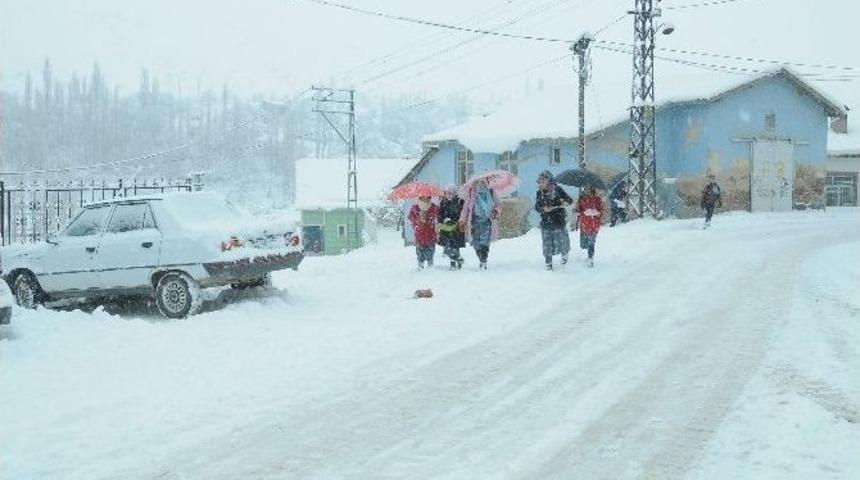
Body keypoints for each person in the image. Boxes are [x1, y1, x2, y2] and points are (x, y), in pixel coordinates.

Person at [535, 170, 573, 270]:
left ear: (549, 180)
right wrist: (543, 209)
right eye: (540, 180)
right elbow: (537, 207)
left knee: (561, 243)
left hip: (558, 221)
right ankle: (548, 263)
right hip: (546, 222)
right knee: (547, 244)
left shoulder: (558, 190)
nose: (541, 182)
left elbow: (569, 200)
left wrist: (564, 202)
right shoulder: (539, 193)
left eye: (543, 179)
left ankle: (564, 255)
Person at [458, 179, 499, 270]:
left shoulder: (491, 192)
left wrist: (496, 211)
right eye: (477, 182)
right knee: (476, 243)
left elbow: (498, 205)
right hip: (475, 222)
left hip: (487, 221)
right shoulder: (471, 193)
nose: (480, 185)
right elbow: (465, 208)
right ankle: (481, 257)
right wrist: (462, 221)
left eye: (483, 182)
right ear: (474, 184)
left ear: (486, 183)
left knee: (485, 242)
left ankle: (483, 260)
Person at [576, 184, 605, 268]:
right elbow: (577, 210)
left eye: (588, 189)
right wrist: (581, 212)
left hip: (594, 224)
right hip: (585, 224)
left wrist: (598, 213)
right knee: (585, 243)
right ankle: (588, 255)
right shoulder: (581, 199)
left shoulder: (597, 199)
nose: (586, 191)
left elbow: (602, 210)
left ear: (592, 189)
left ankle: (590, 258)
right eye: (585, 189)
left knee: (591, 241)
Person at [437, 186, 465, 269]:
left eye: (452, 193)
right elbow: (440, 214)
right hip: (446, 228)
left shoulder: (460, 202)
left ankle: (456, 262)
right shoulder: (443, 202)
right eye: (448, 193)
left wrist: (455, 221)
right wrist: (443, 220)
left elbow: (462, 213)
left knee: (455, 245)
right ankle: (455, 260)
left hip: (456, 227)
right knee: (448, 246)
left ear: (455, 193)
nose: (450, 195)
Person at [408, 196, 439, 270]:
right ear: (419, 198)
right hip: (420, 234)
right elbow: (411, 219)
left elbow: (438, 218)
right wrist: (418, 220)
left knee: (430, 251)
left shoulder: (434, 207)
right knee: (419, 251)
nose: (425, 199)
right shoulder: (415, 208)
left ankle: (430, 265)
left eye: (427, 197)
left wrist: (430, 220)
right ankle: (420, 264)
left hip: (431, 233)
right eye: (423, 197)